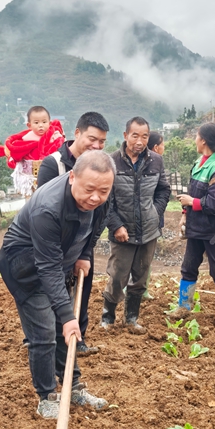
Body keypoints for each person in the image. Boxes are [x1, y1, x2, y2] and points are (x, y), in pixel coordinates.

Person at [0, 150, 114, 419]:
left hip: (58, 261)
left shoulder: (104, 195)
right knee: (46, 332)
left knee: (66, 328)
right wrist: (67, 315)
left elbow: (96, 228)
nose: (96, 197)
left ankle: (72, 388)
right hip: (25, 268)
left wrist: (84, 254)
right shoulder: (47, 208)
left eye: (103, 191)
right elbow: (45, 266)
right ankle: (47, 395)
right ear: (72, 177)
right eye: (89, 189)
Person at [35, 111, 109, 356]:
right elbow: (43, 206)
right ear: (77, 134)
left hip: (82, 241)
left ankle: (79, 338)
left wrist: (86, 252)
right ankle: (51, 339)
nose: (96, 146)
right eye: (92, 139)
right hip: (56, 243)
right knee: (54, 291)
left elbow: (101, 213)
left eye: (102, 142)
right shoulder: (53, 164)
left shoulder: (103, 167)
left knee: (82, 289)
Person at [102, 117, 171, 333]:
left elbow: (164, 190)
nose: (140, 141)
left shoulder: (156, 161)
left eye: (144, 136)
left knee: (140, 279)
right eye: (135, 136)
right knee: (117, 277)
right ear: (125, 136)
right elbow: (105, 200)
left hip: (149, 233)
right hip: (122, 233)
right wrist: (116, 226)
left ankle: (131, 319)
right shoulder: (112, 162)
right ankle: (108, 318)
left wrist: (154, 212)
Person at [178, 123, 215, 324]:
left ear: (204, 141)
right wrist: (185, 212)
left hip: (212, 230)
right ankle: (183, 307)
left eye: (196, 137)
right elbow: (191, 193)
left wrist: (192, 203)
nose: (194, 141)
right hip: (195, 228)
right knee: (189, 266)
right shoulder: (199, 162)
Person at [0, 106, 65, 197]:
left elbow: (61, 147)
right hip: (31, 177)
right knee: (33, 199)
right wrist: (8, 153)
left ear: (49, 123)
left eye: (44, 122)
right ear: (29, 125)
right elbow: (18, 149)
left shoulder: (55, 135)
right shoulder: (26, 137)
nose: (40, 125)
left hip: (52, 174)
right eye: (36, 122)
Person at [142, 130, 166, 300]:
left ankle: (141, 288)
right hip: (148, 216)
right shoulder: (154, 163)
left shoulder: (153, 162)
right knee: (142, 257)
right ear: (156, 147)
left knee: (145, 257)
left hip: (151, 214)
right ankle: (137, 289)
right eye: (162, 144)